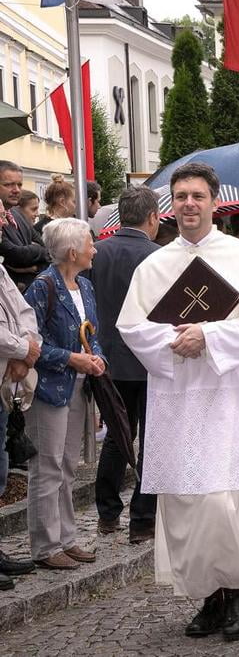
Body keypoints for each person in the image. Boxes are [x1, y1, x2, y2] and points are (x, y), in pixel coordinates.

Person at [117, 162, 239, 641]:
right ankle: (209, 597)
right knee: (186, 503)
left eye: (197, 196)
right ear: (169, 206)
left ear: (215, 202)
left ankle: (234, 593)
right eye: (181, 196)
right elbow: (132, 327)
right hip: (178, 400)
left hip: (230, 398)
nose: (189, 204)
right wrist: (176, 341)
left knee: (222, 500)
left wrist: (209, 336)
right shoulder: (154, 265)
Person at [23, 218, 105, 570]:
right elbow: (31, 343)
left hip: (79, 385)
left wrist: (97, 357)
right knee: (47, 466)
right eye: (89, 244)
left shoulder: (84, 285)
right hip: (49, 387)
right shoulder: (43, 287)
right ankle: (46, 545)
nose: (94, 250)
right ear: (73, 252)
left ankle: (66, 538)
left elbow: (93, 331)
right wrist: (72, 358)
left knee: (68, 464)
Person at [90, 186, 161, 544]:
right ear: (153, 217)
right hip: (150, 360)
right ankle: (143, 520)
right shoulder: (159, 256)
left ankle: (107, 513)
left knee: (118, 436)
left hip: (108, 358)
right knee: (152, 439)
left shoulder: (97, 252)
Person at [0, 208, 40, 590]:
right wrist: (20, 350)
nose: (5, 221)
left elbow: (24, 312)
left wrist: (26, 348)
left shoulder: (0, 268)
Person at [0, 162, 48, 290]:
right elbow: (16, 255)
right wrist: (35, 250)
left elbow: (46, 248)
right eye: (8, 185)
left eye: (19, 185)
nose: (16, 190)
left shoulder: (17, 213)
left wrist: (34, 264)